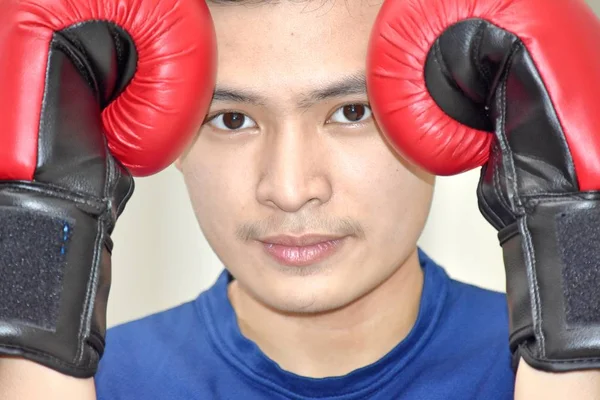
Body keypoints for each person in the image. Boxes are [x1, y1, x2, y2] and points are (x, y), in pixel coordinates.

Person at [2, 0, 600, 398]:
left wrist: (579, 323)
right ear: (169, 133)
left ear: (446, 113)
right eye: (232, 119)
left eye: (350, 112)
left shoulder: (559, 371)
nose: (289, 190)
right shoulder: (92, 382)